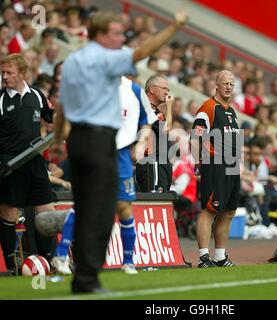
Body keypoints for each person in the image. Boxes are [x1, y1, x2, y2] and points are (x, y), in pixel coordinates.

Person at [57, 10, 188, 293]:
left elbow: (63, 106)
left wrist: (58, 138)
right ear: (101, 35)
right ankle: (87, 279)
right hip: (102, 140)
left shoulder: (73, 61)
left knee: (83, 206)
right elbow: (144, 51)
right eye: (116, 33)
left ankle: (75, 270)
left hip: (77, 141)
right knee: (103, 212)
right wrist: (174, 26)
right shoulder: (106, 58)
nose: (120, 38)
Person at [51, 76, 157, 275]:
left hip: (122, 154)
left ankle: (128, 261)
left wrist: (141, 143)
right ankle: (61, 255)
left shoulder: (134, 90)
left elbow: (146, 122)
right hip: (93, 151)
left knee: (124, 207)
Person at [0, 54, 55, 274]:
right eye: (3, 72)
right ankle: (12, 266)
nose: (4, 77)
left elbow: (50, 119)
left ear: (22, 74)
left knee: (46, 214)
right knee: (9, 214)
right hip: (9, 165)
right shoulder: (1, 100)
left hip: (35, 161)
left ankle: (49, 261)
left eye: (9, 73)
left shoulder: (38, 96)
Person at [190, 70, 242, 268]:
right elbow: (196, 136)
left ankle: (220, 256)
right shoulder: (208, 107)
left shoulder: (231, 111)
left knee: (228, 211)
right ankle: (203, 257)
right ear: (216, 85)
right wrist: (198, 162)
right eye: (225, 83)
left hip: (232, 165)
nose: (229, 86)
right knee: (210, 210)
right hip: (215, 163)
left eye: (232, 84)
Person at [136, 75, 174, 193]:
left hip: (159, 163)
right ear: (152, 89)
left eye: (168, 89)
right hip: (152, 162)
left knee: (160, 199)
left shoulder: (154, 110)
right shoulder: (146, 108)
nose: (167, 92)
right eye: (164, 88)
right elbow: (166, 128)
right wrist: (169, 107)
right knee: (155, 199)